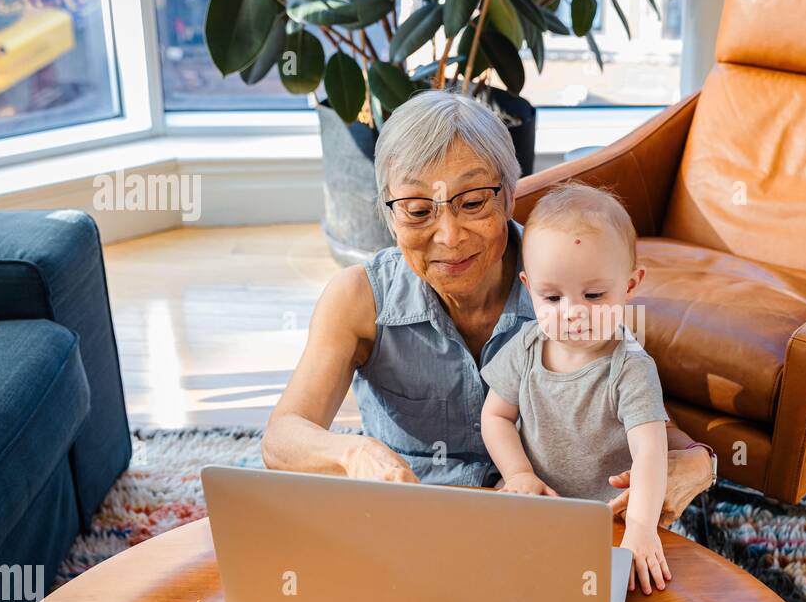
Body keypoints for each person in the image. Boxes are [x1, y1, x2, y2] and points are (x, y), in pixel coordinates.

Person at [261, 90, 716, 528]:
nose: (449, 236)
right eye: (418, 211)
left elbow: (644, 412)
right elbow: (282, 437)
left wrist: (700, 462)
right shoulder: (358, 297)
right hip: (413, 520)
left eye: (473, 202)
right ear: (388, 215)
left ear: (509, 197)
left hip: (546, 521)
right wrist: (352, 453)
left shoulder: (566, 287)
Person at [480, 182, 671, 593]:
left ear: (630, 286)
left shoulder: (630, 368)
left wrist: (640, 526)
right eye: (552, 297)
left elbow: (651, 451)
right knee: (491, 573)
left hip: (608, 517)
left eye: (594, 294)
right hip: (537, 505)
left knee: (613, 595)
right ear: (529, 289)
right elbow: (495, 415)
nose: (572, 313)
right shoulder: (527, 346)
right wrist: (518, 473)